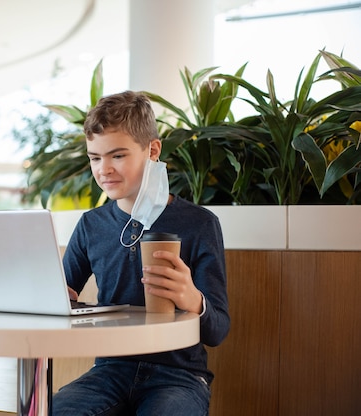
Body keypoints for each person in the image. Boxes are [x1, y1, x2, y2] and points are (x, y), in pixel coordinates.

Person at [52, 91, 230, 416]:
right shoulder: (92, 225)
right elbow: (62, 295)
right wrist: (52, 299)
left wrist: (192, 298)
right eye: (95, 158)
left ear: (153, 150)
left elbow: (217, 331)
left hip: (179, 376)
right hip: (110, 371)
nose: (103, 169)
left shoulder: (199, 224)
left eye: (117, 156)